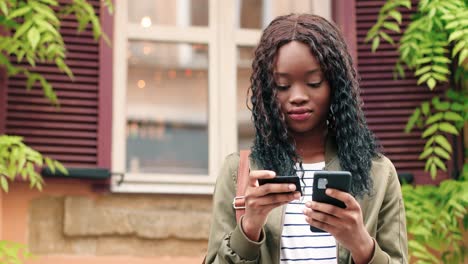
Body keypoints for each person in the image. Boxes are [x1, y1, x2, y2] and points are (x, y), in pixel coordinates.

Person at [205, 14, 408, 264]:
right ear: (267, 91)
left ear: (335, 84)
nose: (298, 96)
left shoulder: (378, 173)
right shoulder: (239, 172)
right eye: (282, 85)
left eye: (313, 82)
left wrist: (360, 242)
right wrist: (249, 227)